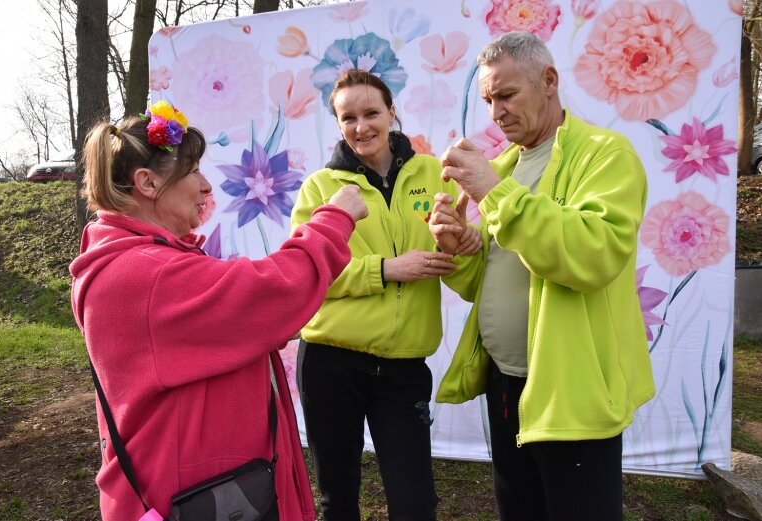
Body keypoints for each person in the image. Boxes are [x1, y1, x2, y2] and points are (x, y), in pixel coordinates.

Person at [69, 100, 368, 521]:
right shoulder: (147, 276)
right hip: (202, 498)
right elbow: (272, 294)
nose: (206, 186)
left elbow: (238, 318)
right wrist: (333, 221)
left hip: (210, 490)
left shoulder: (137, 263)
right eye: (192, 171)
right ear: (147, 183)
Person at [428, 32, 656, 521]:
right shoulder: (508, 164)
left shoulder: (605, 154)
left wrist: (494, 190)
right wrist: (459, 249)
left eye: (507, 94)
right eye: (489, 99)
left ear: (549, 81)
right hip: (506, 383)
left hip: (571, 390)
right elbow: (490, 281)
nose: (496, 112)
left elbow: (592, 256)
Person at [290, 68, 480, 521]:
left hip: (403, 368)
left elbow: (458, 270)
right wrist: (387, 269)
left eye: (371, 112)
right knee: (339, 502)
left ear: (392, 112)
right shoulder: (321, 187)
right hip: (330, 363)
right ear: (337, 124)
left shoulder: (435, 173)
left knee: (415, 504)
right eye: (348, 117)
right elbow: (307, 272)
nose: (361, 126)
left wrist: (466, 244)